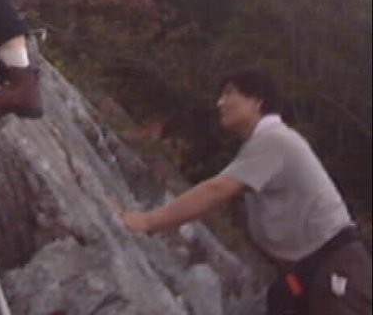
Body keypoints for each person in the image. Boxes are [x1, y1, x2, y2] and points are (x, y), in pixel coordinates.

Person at [120, 67, 372, 315]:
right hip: (308, 272)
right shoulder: (262, 146)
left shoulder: (275, 140)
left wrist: (147, 221)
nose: (220, 103)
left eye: (229, 94)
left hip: (335, 268)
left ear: (256, 101)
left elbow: (216, 190)